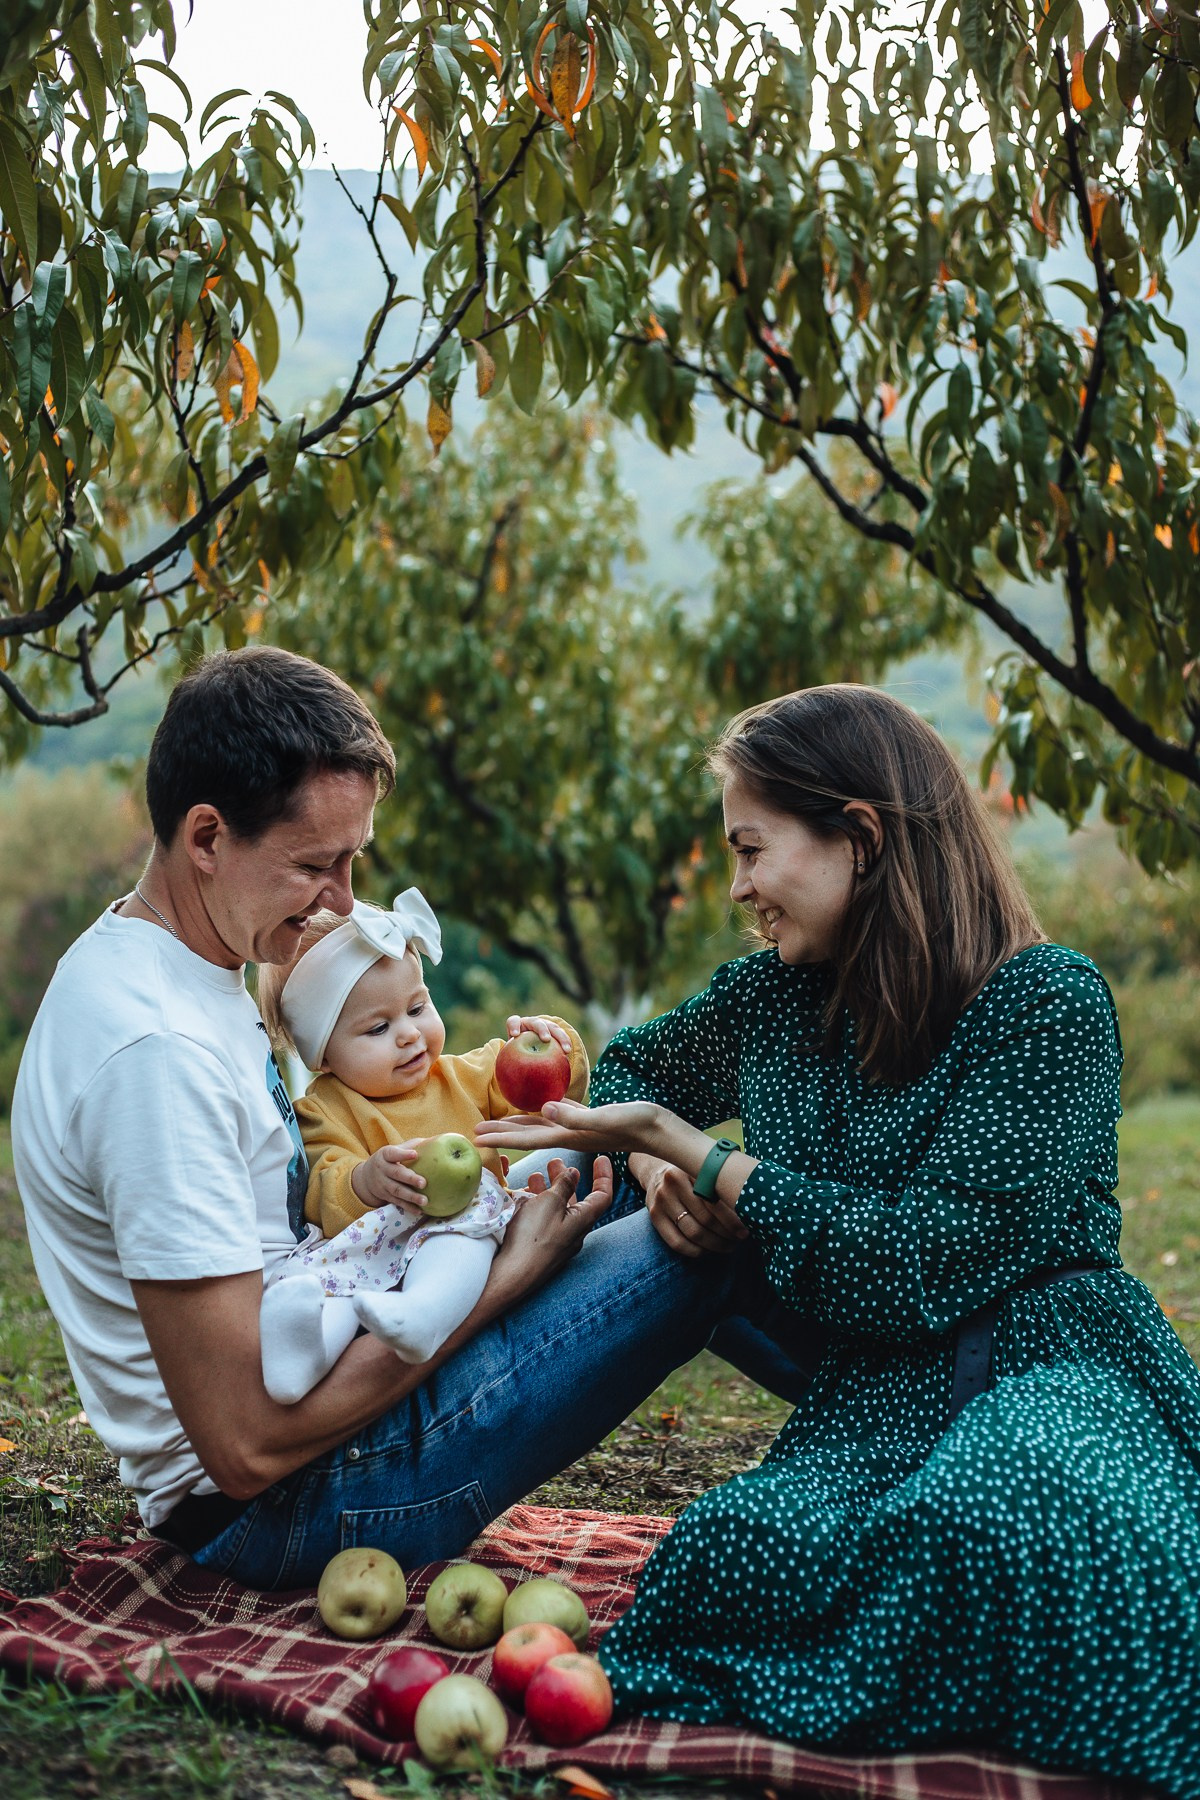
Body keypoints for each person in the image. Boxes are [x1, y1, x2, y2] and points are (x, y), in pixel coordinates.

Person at [479, 684, 1200, 1798]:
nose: (740, 889)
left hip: (1048, 1355)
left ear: (859, 838)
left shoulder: (1044, 1005)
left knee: (1013, 1517)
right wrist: (661, 1161)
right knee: (725, 1555)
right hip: (874, 1383)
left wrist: (715, 1160)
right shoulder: (774, 999)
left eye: (753, 850)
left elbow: (925, 1263)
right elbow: (631, 1074)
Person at [11, 646, 791, 1588]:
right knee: (710, 1234)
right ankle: (917, 1458)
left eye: (353, 862)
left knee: (631, 1179)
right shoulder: (154, 1059)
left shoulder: (195, 962)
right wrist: (501, 1283)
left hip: (339, 1383)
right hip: (293, 1506)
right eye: (314, 866)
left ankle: (912, 1436)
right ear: (206, 837)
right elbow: (245, 1449)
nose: (342, 904)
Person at [253, 887, 588, 1399]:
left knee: (459, 1242)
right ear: (323, 1053)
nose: (410, 1035)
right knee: (331, 1282)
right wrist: (365, 1181)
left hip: (456, 1227)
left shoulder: (459, 1075)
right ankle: (304, 1355)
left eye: (418, 1007)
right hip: (370, 1248)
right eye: (379, 1027)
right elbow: (321, 1184)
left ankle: (424, 1316)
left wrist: (551, 1043)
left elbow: (539, 1096)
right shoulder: (323, 1109)